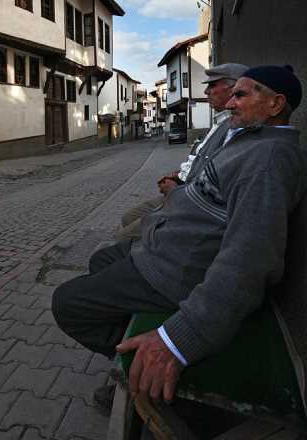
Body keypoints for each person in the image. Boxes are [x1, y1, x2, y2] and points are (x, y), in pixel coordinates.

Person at [52, 65, 307, 406]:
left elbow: (249, 261)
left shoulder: (267, 162)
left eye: (241, 95)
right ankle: (134, 340)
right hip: (166, 249)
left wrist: (179, 340)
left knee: (67, 303)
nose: (229, 103)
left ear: (275, 105)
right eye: (230, 94)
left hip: (177, 271)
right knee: (102, 258)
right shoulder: (252, 140)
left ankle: (144, 364)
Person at [115, 63, 248, 242]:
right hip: (185, 192)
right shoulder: (219, 123)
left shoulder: (235, 128)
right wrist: (178, 176)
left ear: (234, 88)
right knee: (127, 218)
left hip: (191, 203)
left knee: (122, 237)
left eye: (212, 85)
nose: (207, 92)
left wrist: (176, 191)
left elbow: (217, 183)